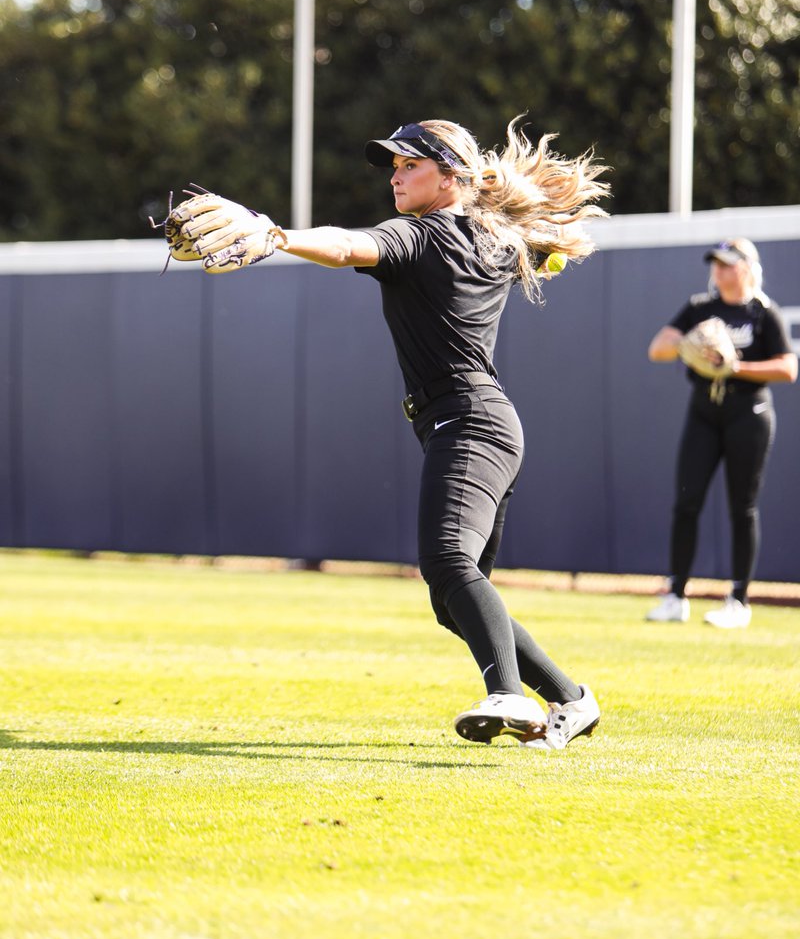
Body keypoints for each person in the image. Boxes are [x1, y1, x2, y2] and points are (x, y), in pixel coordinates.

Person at [172, 118, 609, 748]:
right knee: (453, 595)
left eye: (411, 165)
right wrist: (538, 245)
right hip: (482, 423)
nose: (397, 176)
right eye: (394, 166)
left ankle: (509, 695)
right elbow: (522, 246)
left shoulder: (425, 234)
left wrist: (276, 235)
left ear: (450, 175)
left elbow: (349, 246)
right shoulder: (490, 235)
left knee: (448, 563)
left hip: (466, 419)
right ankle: (572, 699)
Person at [646, 238, 797, 628]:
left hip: (749, 413)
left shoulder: (763, 313)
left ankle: (738, 600)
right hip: (704, 413)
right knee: (686, 501)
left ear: (746, 267)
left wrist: (735, 367)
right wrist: (689, 345)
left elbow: (788, 368)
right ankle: (676, 595)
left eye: (728, 263)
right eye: (716, 263)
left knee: (741, 507)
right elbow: (658, 348)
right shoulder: (701, 307)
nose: (719, 269)